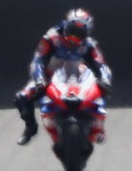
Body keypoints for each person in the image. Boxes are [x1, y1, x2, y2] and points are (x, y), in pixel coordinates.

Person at [14, 8, 114, 146]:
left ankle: (98, 127)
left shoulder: (90, 44)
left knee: (102, 89)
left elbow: (100, 64)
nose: (74, 38)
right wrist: (39, 79)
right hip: (51, 75)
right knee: (22, 97)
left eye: (80, 34)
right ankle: (31, 128)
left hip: (79, 75)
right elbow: (38, 59)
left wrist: (105, 80)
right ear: (66, 25)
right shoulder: (51, 37)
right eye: (72, 31)